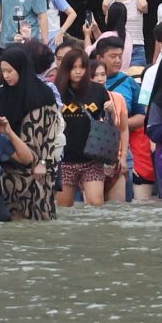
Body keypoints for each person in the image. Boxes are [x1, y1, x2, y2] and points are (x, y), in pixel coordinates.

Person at [0, 44, 63, 221]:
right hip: (10, 170)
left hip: (37, 170)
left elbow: (51, 133)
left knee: (40, 219)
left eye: (10, 71)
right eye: (3, 71)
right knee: (13, 222)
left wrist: (44, 163)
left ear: (20, 68)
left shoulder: (43, 94)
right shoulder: (2, 94)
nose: (6, 75)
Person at [54, 48, 119, 207]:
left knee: (96, 205)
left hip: (92, 158)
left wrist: (111, 111)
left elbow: (112, 124)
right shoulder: (57, 91)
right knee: (64, 208)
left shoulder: (98, 90)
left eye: (81, 67)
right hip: (65, 159)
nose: (77, 72)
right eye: (73, 67)